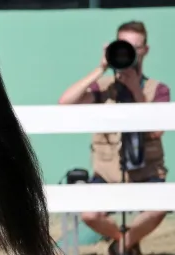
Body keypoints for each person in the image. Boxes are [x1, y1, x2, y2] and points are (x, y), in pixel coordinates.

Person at [58, 20, 169, 255]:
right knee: (89, 214)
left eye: (134, 47)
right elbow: (65, 103)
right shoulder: (104, 88)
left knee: (160, 208)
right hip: (107, 173)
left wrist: (135, 90)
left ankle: (121, 246)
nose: (128, 51)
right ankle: (125, 242)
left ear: (145, 51)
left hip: (146, 172)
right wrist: (101, 68)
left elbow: (157, 130)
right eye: (123, 45)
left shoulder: (158, 90)